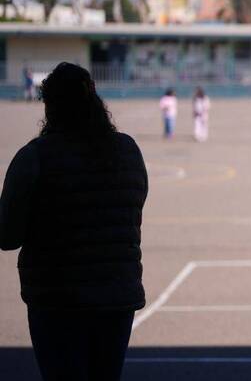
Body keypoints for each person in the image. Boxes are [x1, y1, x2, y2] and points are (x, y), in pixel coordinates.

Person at [0, 62, 148, 381]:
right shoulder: (128, 151)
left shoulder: (35, 157)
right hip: (116, 295)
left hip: (57, 300)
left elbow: (7, 236)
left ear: (50, 107)